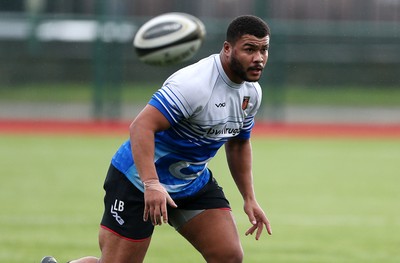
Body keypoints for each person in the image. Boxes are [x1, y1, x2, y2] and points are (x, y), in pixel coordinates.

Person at [42, 14, 272, 263]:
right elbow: (140, 127)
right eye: (249, 49)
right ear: (227, 49)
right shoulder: (194, 85)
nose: (258, 58)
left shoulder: (252, 92)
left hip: (190, 183)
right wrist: (151, 184)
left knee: (228, 256)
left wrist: (249, 198)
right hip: (137, 181)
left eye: (264, 50)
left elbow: (238, 144)